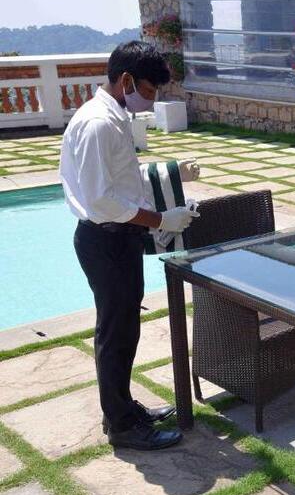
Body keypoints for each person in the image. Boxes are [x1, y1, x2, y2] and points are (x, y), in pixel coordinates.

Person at [60, 41, 199, 450]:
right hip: (105, 239)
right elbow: (102, 201)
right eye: (149, 90)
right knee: (115, 334)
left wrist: (172, 177)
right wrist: (161, 220)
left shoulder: (114, 116)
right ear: (126, 80)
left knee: (124, 330)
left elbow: (123, 179)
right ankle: (121, 426)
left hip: (119, 238)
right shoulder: (98, 124)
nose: (151, 100)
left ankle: (122, 409)